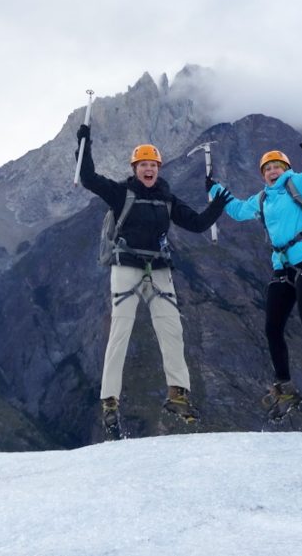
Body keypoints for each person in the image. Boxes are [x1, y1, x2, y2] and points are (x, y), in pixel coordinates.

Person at [76, 124, 231, 437]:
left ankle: (178, 394)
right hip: (127, 266)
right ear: (135, 169)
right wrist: (83, 144)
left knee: (171, 330)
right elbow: (88, 178)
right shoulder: (121, 192)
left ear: (159, 169)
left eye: (153, 165)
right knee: (120, 331)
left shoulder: (166, 198)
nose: (149, 169)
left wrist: (217, 205)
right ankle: (109, 400)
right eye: (144, 165)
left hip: (158, 269)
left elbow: (198, 224)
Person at [208, 140, 302, 422]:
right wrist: (215, 190)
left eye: (277, 167)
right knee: (272, 327)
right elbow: (238, 210)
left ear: (286, 169)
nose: (272, 171)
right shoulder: (262, 199)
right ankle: (285, 386)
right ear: (263, 174)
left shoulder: (298, 183)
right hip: (282, 265)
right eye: (268, 169)